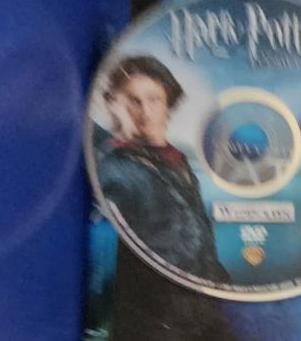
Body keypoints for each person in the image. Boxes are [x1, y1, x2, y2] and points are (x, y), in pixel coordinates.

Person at [94, 54, 225, 283]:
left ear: (168, 103)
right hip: (154, 292)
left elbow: (200, 235)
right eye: (134, 101)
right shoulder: (114, 169)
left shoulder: (178, 160)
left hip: (203, 289)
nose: (145, 111)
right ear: (117, 106)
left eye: (154, 100)